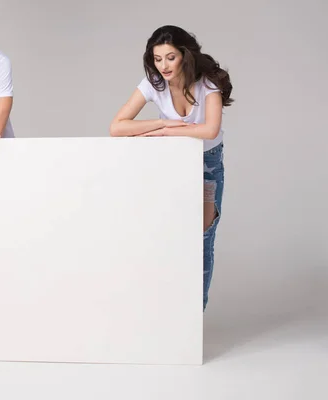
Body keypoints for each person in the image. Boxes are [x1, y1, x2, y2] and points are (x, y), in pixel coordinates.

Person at [109, 25, 233, 311]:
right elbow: (117, 127)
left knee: (202, 238)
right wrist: (162, 123)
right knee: (169, 235)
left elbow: (211, 130)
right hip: (172, 164)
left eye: (170, 57)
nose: (163, 66)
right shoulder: (154, 83)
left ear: (185, 56)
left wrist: (167, 134)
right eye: (157, 58)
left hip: (206, 165)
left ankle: (195, 315)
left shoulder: (208, 82)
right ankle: (170, 317)